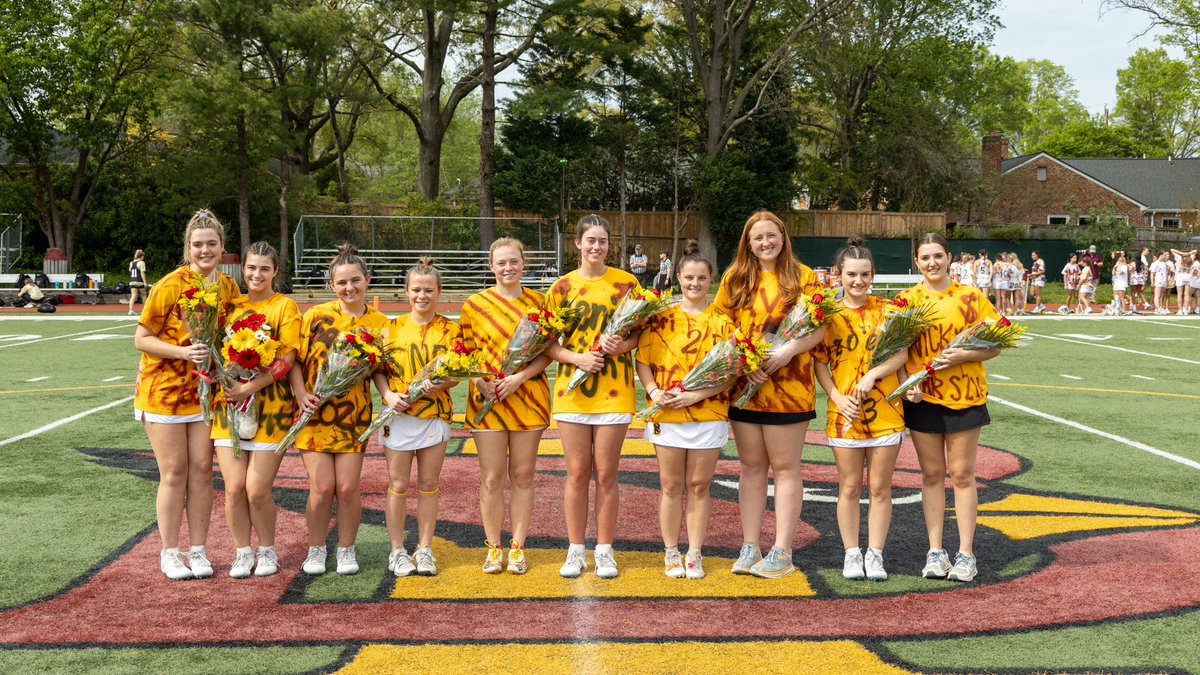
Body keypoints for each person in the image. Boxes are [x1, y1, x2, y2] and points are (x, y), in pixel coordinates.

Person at [713, 210, 825, 579]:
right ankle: (750, 546)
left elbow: (820, 330)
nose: (765, 243)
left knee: (786, 468)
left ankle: (782, 551)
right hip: (746, 386)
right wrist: (744, 361)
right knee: (751, 468)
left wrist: (789, 351)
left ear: (783, 235)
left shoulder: (804, 277)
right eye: (757, 237)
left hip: (790, 388)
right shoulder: (735, 278)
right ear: (748, 242)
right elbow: (721, 326)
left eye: (771, 235)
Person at [132, 209, 241, 580]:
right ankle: (169, 552)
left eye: (212, 244)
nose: (205, 250)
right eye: (198, 245)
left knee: (201, 472)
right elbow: (141, 338)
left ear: (222, 247)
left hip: (205, 393)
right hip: (164, 391)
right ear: (187, 248)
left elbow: (234, 335)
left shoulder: (227, 286)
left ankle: (198, 550)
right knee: (174, 471)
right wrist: (183, 352)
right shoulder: (169, 285)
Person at [897, 232, 1001, 583]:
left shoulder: (971, 298)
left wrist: (963, 355)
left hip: (966, 395)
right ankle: (935, 551)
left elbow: (995, 345)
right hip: (923, 398)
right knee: (930, 475)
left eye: (938, 256)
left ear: (949, 257)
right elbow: (894, 351)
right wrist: (904, 385)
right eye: (925, 257)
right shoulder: (905, 300)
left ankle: (966, 553)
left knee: (962, 474)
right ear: (916, 261)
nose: (932, 263)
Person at [544, 215, 640, 579]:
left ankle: (604, 549)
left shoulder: (627, 283)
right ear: (577, 244)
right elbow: (546, 343)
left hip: (615, 391)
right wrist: (576, 357)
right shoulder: (563, 287)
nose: (596, 247)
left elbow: (641, 336)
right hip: (572, 392)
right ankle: (574, 549)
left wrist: (621, 345)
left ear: (608, 245)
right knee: (577, 473)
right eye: (590, 241)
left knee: (607, 474)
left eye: (602, 241)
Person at [813, 237, 909, 582]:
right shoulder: (827, 315)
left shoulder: (888, 310)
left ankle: (876, 554)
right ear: (838, 275)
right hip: (845, 414)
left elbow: (901, 354)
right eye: (851, 274)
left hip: (885, 411)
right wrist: (836, 397)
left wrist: (873, 374)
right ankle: (852, 553)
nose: (858, 281)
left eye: (864, 275)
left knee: (881, 488)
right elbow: (820, 363)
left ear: (873, 274)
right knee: (849, 487)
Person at [290, 244, 390, 576]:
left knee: (347, 488)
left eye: (356, 280)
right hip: (314, 413)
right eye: (342, 282)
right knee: (321, 489)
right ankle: (317, 548)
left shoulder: (378, 323)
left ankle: (346, 549)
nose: (350, 288)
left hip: (354, 416)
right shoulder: (315, 316)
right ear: (332, 285)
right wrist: (301, 392)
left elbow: (379, 370)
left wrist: (387, 397)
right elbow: (295, 361)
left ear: (368, 280)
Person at [636, 253, 735, 580]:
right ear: (678, 278)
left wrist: (695, 395)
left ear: (711, 280)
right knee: (670, 484)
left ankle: (694, 552)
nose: (695, 284)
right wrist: (653, 392)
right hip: (667, 414)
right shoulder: (661, 317)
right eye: (689, 278)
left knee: (699, 485)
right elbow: (644, 361)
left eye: (701, 278)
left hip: (709, 413)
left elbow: (730, 373)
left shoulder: (722, 322)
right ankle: (670, 552)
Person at [461, 238, 553, 575]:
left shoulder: (539, 303)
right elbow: (464, 353)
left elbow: (548, 352)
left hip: (528, 398)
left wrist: (519, 378)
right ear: (491, 266)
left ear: (523, 264)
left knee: (524, 475)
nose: (508, 268)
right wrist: (482, 383)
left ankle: (517, 546)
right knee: (492, 477)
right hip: (487, 401)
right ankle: (493, 547)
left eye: (514, 261)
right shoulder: (474, 305)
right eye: (501, 263)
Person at [210, 241, 300, 578]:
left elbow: (288, 359)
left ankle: (267, 550)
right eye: (251, 267)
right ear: (242, 269)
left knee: (257, 490)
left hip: (271, 409)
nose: (256, 274)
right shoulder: (230, 307)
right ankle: (242, 552)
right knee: (233, 489)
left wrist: (250, 386)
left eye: (264, 268)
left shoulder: (285, 307)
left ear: (275, 271)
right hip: (230, 409)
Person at [372, 258, 459, 578]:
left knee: (428, 485)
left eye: (429, 290)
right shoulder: (390, 329)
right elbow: (379, 372)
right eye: (416, 290)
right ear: (406, 292)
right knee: (397, 485)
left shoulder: (450, 329)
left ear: (438, 292)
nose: (422, 296)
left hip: (434, 415)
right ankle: (397, 551)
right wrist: (388, 396)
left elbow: (455, 374)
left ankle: (424, 549)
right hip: (398, 416)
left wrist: (435, 384)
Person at [1170, 248, 1197, 315]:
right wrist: (1188, 253)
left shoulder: (1179, 257)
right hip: (1187, 278)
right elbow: (1195, 251)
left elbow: (1172, 250)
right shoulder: (1190, 258)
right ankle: (1185, 309)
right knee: (1187, 294)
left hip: (1180, 277)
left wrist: (1181, 253)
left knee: (1180, 294)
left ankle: (1180, 310)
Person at [1110, 251, 1130, 315]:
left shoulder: (1124, 266)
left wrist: (1118, 268)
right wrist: (1114, 267)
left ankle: (1124, 309)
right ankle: (1117, 308)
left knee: (1122, 297)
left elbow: (1121, 272)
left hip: (1122, 283)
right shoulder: (1117, 266)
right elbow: (1113, 274)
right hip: (1117, 282)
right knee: (1116, 296)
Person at [128, 249, 148, 315]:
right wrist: (145, 282)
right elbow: (142, 273)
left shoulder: (131, 263)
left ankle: (130, 310)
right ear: (141, 256)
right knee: (144, 294)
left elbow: (130, 271)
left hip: (132, 281)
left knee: (133, 295)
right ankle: (145, 310)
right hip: (139, 281)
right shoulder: (141, 263)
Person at [1150, 250, 1170, 314]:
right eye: (1164, 255)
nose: (1165, 256)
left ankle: (1160, 307)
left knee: (1161, 295)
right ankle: (1158, 308)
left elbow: (1166, 273)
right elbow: (1152, 273)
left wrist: (1167, 281)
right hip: (1158, 280)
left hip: (1164, 281)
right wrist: (1152, 282)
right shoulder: (1155, 263)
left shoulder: (1164, 263)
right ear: (1161, 255)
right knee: (1157, 295)